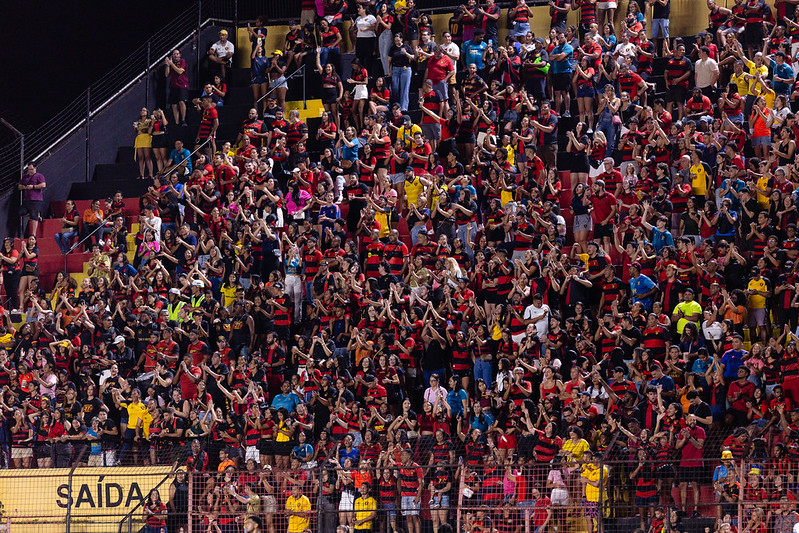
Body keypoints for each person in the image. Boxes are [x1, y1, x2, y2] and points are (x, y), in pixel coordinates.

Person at [18, 163, 46, 238]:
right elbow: (19, 186)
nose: (30, 171)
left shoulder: (39, 176)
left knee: (34, 217)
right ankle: (36, 213)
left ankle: (33, 234)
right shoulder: (25, 177)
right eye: (29, 169)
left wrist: (33, 186)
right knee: (21, 212)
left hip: (36, 199)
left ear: (35, 168)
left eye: (31, 169)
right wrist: (24, 187)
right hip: (27, 199)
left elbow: (43, 185)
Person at [165, 49, 189, 126]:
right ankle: (176, 122)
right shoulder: (171, 63)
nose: (175, 55)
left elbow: (179, 71)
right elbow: (166, 75)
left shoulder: (182, 61)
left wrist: (171, 64)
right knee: (173, 104)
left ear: (180, 55)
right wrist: (168, 65)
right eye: (174, 54)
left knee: (181, 101)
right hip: (173, 85)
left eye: (177, 54)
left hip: (182, 85)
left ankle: (183, 120)